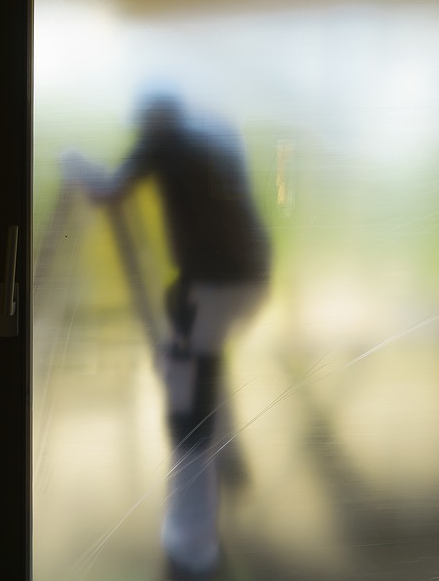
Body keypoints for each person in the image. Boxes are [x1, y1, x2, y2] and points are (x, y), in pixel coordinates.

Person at [61, 88, 270, 579]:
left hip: (213, 286)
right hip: (247, 281)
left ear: (152, 121)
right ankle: (231, 467)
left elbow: (107, 192)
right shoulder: (206, 143)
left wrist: (75, 166)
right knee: (202, 369)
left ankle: (193, 549)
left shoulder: (161, 143)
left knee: (188, 411)